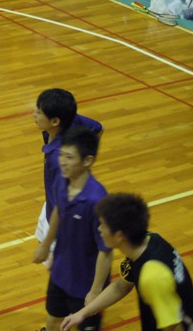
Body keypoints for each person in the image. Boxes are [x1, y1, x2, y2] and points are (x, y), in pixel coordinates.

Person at [61, 193, 193, 331]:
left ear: (119, 235)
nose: (99, 229)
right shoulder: (148, 241)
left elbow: (174, 327)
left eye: (103, 225)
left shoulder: (152, 276)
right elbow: (121, 287)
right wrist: (83, 313)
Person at [32, 126, 112, 331]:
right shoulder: (62, 181)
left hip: (86, 281)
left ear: (87, 161)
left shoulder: (96, 201)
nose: (62, 162)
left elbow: (105, 251)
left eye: (69, 157)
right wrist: (46, 245)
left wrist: (95, 292)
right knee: (53, 319)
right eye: (61, 155)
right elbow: (58, 210)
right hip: (61, 272)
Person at [32, 88, 103, 268]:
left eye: (39, 113)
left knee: (59, 270)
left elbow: (62, 208)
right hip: (50, 205)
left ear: (55, 121)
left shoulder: (59, 160)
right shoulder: (72, 121)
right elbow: (98, 128)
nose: (34, 115)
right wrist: (85, 161)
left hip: (61, 222)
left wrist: (47, 244)